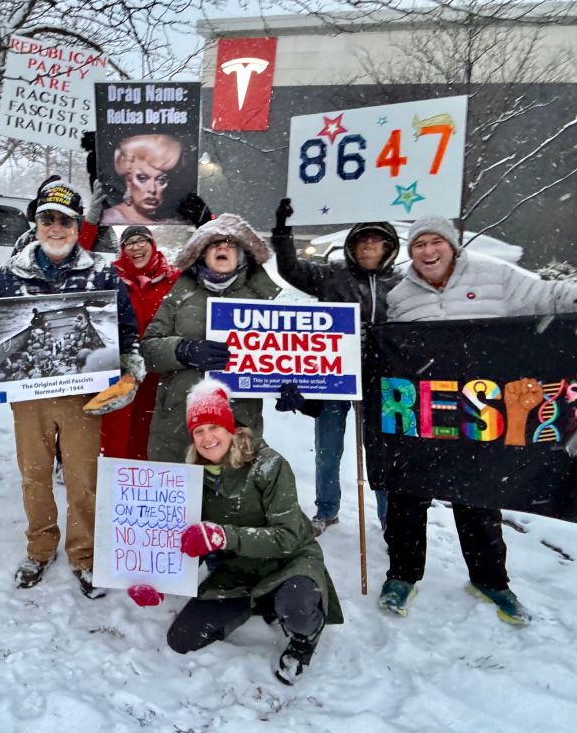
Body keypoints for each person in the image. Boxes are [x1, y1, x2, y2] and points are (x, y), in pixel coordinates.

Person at [378, 215, 577, 624]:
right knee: (407, 495)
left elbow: (552, 296)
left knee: (479, 497)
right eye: (418, 245)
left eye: (436, 242)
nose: (428, 252)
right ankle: (402, 575)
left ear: (453, 245)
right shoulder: (400, 297)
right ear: (410, 252)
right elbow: (392, 350)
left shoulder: (494, 276)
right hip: (426, 415)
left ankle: (490, 580)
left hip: (485, 412)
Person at [0, 181, 145, 599]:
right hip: (31, 395)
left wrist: (130, 371)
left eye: (64, 220)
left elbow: (128, 333)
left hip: (85, 394)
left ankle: (84, 555)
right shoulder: (12, 272)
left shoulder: (101, 272)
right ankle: (40, 548)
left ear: (78, 226)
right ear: (36, 223)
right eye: (47, 219)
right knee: (35, 475)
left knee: (83, 478)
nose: (55, 227)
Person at [128, 379, 343, 685]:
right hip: (238, 570)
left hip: (289, 562)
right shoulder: (191, 478)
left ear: (231, 428)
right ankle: (260, 601)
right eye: (198, 431)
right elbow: (188, 538)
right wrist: (157, 578)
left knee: (297, 605)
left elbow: (288, 537)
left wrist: (225, 537)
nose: (207, 437)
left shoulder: (269, 465)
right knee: (182, 639)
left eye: (214, 427)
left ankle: (304, 638)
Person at [270, 198, 402, 534]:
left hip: (382, 382)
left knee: (383, 453)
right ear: (352, 246)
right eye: (363, 240)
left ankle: (391, 520)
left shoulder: (402, 284)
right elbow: (291, 270)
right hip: (335, 379)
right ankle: (326, 509)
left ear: (388, 247)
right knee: (328, 449)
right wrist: (284, 232)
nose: (369, 245)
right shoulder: (331, 277)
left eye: (376, 240)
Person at [142, 213, 281, 463]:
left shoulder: (261, 302)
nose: (222, 247)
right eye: (214, 243)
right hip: (178, 423)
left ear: (242, 254)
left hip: (238, 425)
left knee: (229, 498)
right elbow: (148, 351)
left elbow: (284, 358)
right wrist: (183, 350)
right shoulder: (180, 295)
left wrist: (288, 389)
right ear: (201, 253)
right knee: (181, 498)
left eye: (231, 243)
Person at [100, 225, 180, 460]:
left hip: (158, 368)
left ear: (152, 244)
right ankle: (115, 477)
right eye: (129, 243)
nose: (136, 246)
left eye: (141, 240)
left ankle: (144, 484)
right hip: (121, 366)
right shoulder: (108, 277)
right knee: (115, 431)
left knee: (150, 428)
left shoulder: (174, 278)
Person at [104, 134, 186, 225]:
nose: (152, 189)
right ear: (128, 180)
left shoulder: (175, 222)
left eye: (161, 180)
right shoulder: (110, 219)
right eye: (142, 178)